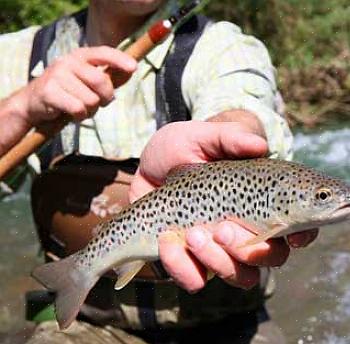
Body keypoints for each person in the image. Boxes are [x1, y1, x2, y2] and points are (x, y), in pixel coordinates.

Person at [0, 0, 318, 342]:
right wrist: (19, 110)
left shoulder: (223, 47)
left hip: (229, 323)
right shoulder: (13, 57)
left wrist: (234, 133)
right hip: (87, 322)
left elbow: (241, 103)